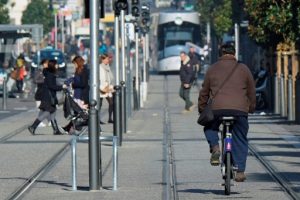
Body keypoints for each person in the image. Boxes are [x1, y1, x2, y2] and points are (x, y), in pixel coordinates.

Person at [198, 44, 256, 182]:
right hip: (239, 110)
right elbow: (251, 91)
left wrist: (202, 109)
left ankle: (215, 147)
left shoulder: (212, 69)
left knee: (209, 126)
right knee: (240, 137)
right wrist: (251, 108)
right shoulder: (244, 68)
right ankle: (240, 170)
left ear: (220, 53)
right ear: (234, 53)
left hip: (217, 109)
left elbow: (204, 92)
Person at [28, 59, 67, 135]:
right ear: (53, 66)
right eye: (56, 64)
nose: (57, 66)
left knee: (52, 111)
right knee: (47, 112)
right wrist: (62, 87)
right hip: (48, 97)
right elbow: (51, 86)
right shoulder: (50, 75)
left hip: (49, 96)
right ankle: (33, 126)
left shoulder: (49, 73)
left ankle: (55, 130)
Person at [62, 56, 90, 133]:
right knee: (78, 112)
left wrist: (73, 85)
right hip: (78, 94)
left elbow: (83, 84)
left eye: (74, 63)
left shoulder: (84, 71)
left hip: (82, 95)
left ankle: (71, 128)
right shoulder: (79, 70)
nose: (74, 65)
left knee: (81, 113)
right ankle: (69, 128)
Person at [33, 59, 51, 127]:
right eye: (46, 64)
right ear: (43, 64)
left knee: (46, 108)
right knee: (41, 109)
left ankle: (50, 121)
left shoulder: (48, 71)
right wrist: (44, 80)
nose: (47, 65)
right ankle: (39, 122)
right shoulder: (39, 71)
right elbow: (35, 80)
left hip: (46, 93)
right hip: (40, 93)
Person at [99, 54, 114, 123]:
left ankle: (110, 118)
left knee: (111, 102)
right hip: (101, 88)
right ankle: (97, 119)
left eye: (108, 59)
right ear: (103, 60)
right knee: (99, 104)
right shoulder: (100, 67)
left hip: (107, 87)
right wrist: (102, 87)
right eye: (107, 59)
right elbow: (99, 78)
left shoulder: (107, 67)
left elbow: (110, 77)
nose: (108, 60)